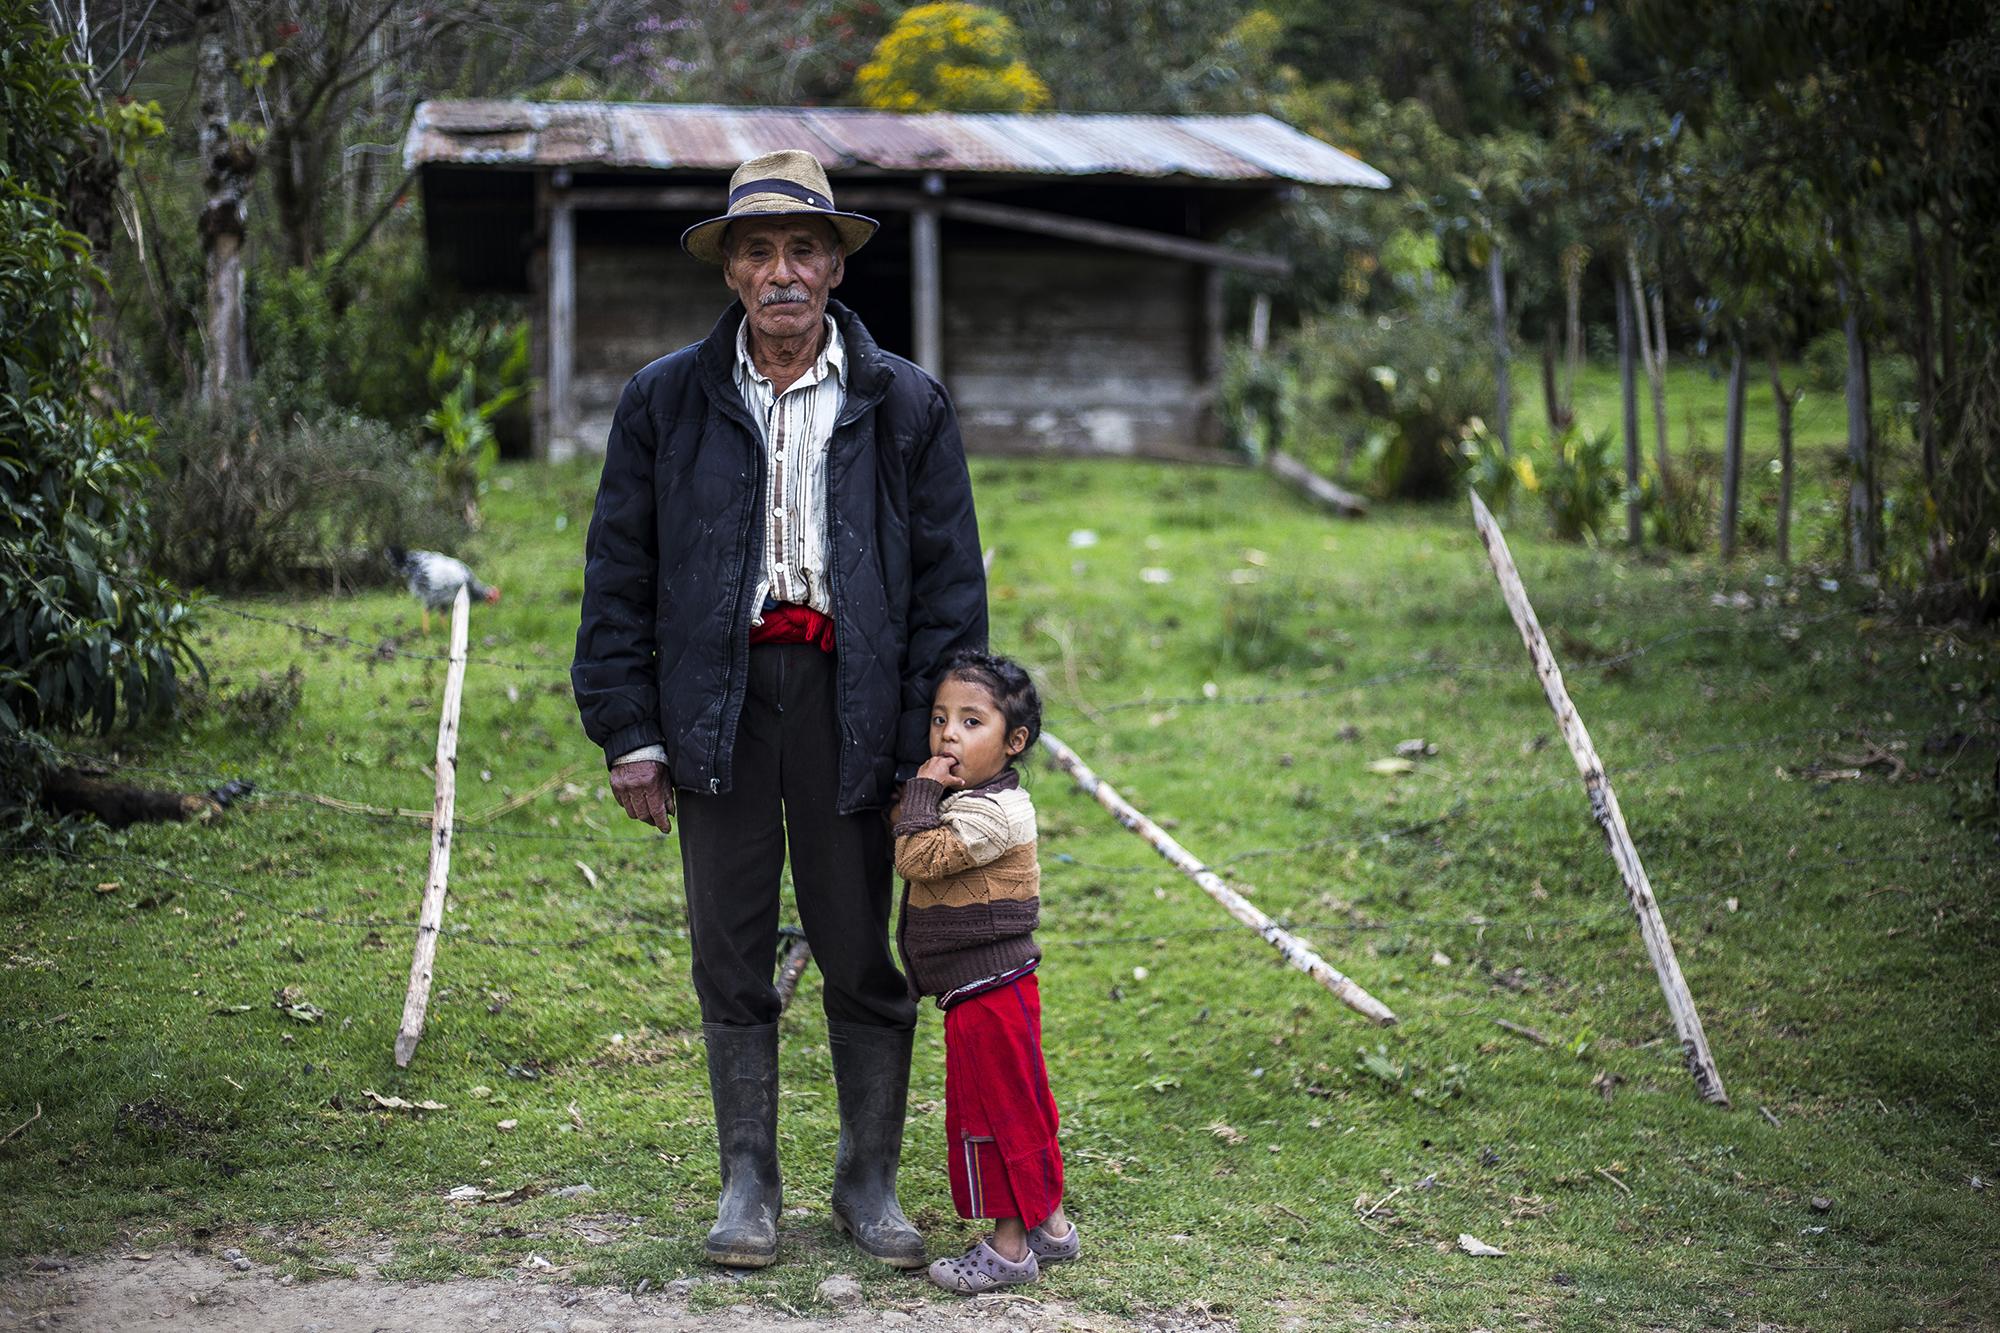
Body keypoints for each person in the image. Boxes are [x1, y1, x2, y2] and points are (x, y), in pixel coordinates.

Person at [571, 148, 988, 1271]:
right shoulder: (666, 400)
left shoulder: (902, 402)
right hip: (718, 699)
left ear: (836, 266)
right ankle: (747, 1186)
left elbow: (951, 591)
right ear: (730, 273)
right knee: (730, 946)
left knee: (860, 946)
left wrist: (940, 746)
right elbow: (619, 571)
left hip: (859, 702)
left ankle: (867, 1185)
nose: (781, 271)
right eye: (756, 251)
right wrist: (629, 729)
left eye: (803, 248)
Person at [891, 650, 1077, 1293]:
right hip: (990, 987)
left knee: (994, 1113)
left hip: (988, 991)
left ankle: (1008, 1248)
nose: (947, 735)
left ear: (1014, 741)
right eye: (941, 718)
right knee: (1023, 1103)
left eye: (972, 723)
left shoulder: (989, 813)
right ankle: (1049, 1226)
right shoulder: (976, 797)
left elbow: (916, 855)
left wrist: (920, 788)